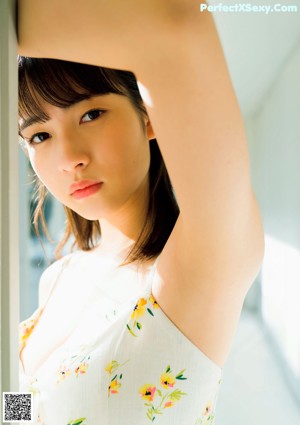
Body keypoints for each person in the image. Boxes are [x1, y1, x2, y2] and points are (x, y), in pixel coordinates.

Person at [17, 1, 265, 424]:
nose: (69, 157)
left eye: (91, 114)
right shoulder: (57, 279)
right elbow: (25, 404)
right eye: (40, 134)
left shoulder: (200, 266)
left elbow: (178, 25)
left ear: (148, 118)